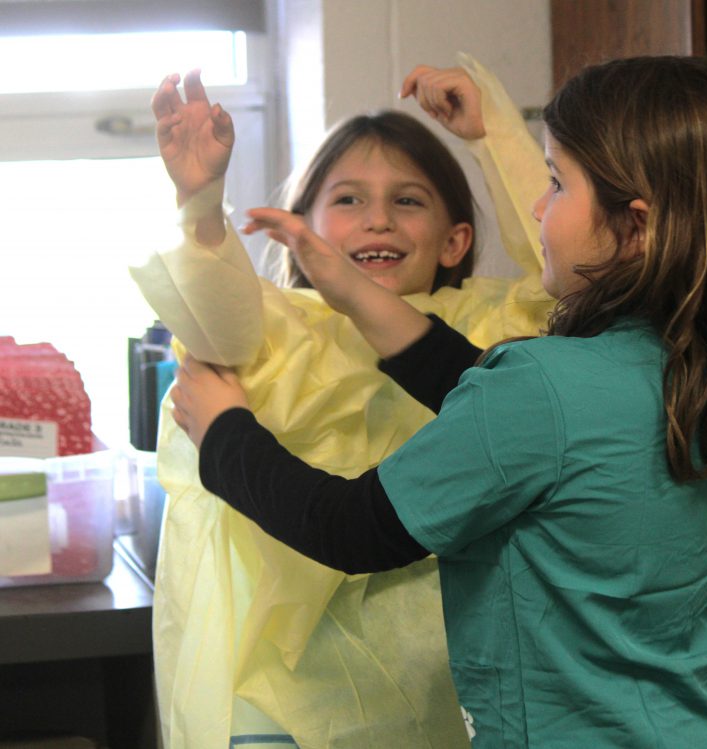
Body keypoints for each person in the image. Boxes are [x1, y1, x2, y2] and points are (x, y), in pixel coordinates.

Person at [169, 54, 707, 748]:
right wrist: (351, 292)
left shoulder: (540, 391)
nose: (536, 203)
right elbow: (492, 392)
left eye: (558, 182)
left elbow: (349, 526)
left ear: (637, 226)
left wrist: (225, 431)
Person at [132, 57, 552, 748]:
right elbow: (220, 322)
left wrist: (493, 135)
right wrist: (202, 206)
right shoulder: (281, 322)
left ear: (457, 240)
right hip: (283, 696)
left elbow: (569, 281)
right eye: (350, 199)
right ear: (304, 231)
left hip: (457, 689)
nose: (378, 219)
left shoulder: (489, 323)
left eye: (409, 200)